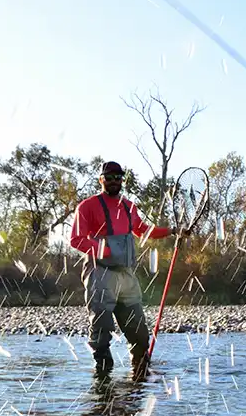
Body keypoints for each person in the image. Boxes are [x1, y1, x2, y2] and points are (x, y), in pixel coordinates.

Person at [70, 161, 178, 379]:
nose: (113, 182)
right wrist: (104, 250)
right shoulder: (87, 207)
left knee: (139, 334)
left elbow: (143, 230)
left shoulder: (129, 207)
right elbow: (75, 239)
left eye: (117, 178)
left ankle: (138, 381)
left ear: (122, 181)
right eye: (108, 178)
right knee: (101, 332)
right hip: (99, 273)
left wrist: (173, 231)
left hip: (127, 275)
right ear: (101, 180)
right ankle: (102, 384)